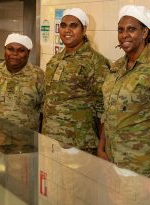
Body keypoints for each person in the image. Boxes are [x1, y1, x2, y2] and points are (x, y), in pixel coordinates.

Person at [97, 5, 150, 176]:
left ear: (144, 33)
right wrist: (101, 147)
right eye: (120, 30)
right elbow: (109, 111)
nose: (124, 35)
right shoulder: (117, 66)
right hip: (112, 159)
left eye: (131, 29)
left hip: (141, 165)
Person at [42, 8, 110, 155]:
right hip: (51, 141)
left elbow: (104, 108)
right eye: (64, 25)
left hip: (79, 145)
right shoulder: (55, 60)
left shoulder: (95, 62)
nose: (67, 30)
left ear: (84, 29)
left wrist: (102, 147)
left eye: (73, 26)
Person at [0, 33, 44, 132]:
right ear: (5, 49)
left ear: (28, 52)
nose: (15, 54)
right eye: (10, 49)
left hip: (26, 141)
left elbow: (45, 111)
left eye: (21, 50)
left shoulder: (38, 76)